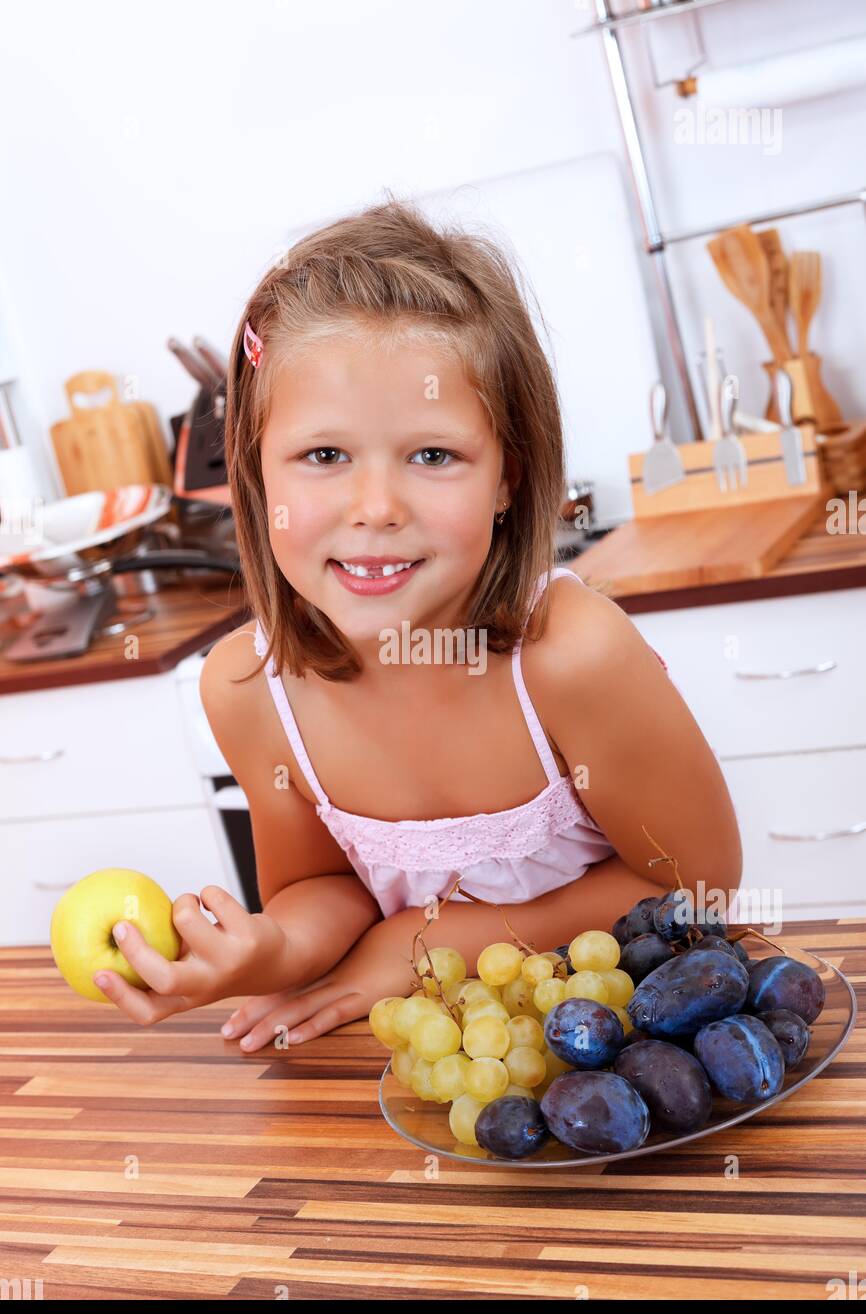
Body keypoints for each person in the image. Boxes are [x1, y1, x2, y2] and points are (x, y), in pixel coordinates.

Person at [97, 195, 741, 1050]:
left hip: (632, 1055)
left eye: (433, 456)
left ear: (508, 476)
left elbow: (696, 884)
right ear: (256, 476)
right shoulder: (251, 689)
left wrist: (423, 946)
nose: (376, 508)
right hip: (425, 1086)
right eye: (324, 456)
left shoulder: (567, 654)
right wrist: (268, 948)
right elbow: (325, 890)